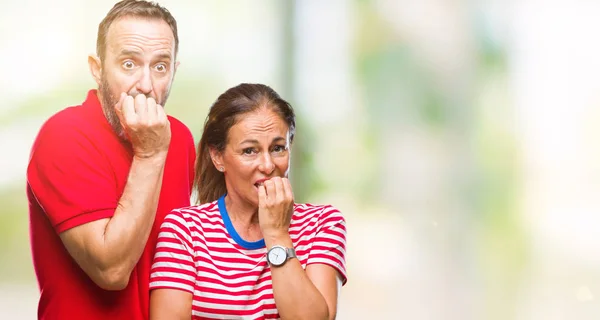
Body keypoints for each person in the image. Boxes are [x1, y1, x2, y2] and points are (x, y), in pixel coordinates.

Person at [26, 1, 195, 319]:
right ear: (97, 67)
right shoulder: (64, 135)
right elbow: (111, 271)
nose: (146, 85)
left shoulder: (181, 139)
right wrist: (150, 154)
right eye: (129, 64)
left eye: (160, 66)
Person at [148, 83, 348, 319]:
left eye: (277, 148)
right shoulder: (185, 230)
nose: (267, 165)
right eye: (250, 151)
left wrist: (277, 235)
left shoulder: (322, 224)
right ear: (218, 157)